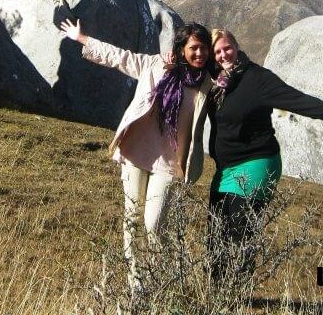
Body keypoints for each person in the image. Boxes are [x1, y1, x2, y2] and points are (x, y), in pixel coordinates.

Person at [58, 17, 214, 282]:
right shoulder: (156, 65)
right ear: (181, 49)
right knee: (132, 220)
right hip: (135, 152)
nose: (200, 53)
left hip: (170, 163)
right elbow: (119, 57)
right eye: (194, 48)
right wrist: (82, 38)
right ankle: (135, 281)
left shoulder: (207, 83)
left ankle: (158, 278)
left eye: (203, 48)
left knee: (154, 223)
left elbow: (231, 58)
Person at [207, 27, 323, 279]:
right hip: (225, 169)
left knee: (239, 232)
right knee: (216, 232)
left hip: (256, 163)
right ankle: (215, 293)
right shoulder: (217, 82)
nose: (223, 54)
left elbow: (298, 100)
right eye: (217, 51)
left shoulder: (258, 79)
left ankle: (237, 296)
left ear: (237, 46)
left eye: (227, 47)